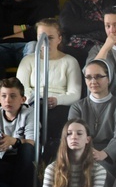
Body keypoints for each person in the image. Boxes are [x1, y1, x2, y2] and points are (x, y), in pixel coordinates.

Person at [16, 18, 80, 162]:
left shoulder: (70, 61)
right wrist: (34, 98)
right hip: (33, 102)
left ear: (59, 39)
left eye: (50, 38)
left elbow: (75, 94)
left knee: (56, 119)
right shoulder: (28, 61)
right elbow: (20, 88)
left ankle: (51, 159)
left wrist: (57, 100)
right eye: (41, 38)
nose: (45, 42)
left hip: (58, 105)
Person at [69, 59, 116, 177]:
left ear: (109, 79)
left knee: (97, 171)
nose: (93, 81)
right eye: (88, 77)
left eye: (98, 76)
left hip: (110, 157)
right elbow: (72, 135)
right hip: (81, 152)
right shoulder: (77, 107)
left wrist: (103, 153)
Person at [0, 0, 58, 76]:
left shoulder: (42, 2)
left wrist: (7, 36)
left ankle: (26, 89)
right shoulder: (3, 2)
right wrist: (24, 27)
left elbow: (38, 32)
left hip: (27, 44)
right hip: (3, 47)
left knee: (34, 46)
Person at [59, 0, 113, 66]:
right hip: (74, 47)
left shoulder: (111, 6)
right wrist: (100, 25)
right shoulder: (71, 4)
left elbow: (112, 30)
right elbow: (66, 25)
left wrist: (81, 26)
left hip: (101, 47)